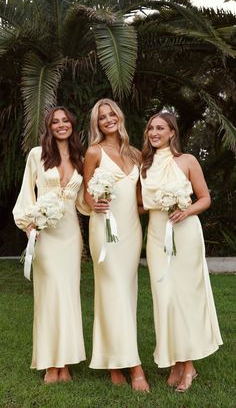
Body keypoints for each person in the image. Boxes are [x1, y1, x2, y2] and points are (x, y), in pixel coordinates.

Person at [140, 111, 223, 392]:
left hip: (185, 235)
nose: (154, 133)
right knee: (164, 299)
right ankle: (177, 361)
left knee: (184, 298)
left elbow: (205, 199)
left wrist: (185, 210)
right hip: (155, 236)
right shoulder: (144, 165)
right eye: (151, 128)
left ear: (172, 132)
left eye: (160, 128)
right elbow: (140, 204)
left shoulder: (187, 161)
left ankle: (188, 367)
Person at [13, 106, 86, 383]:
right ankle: (49, 364)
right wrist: (28, 224)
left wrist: (101, 201)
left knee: (68, 295)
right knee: (48, 296)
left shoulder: (80, 157)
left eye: (65, 120)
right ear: (49, 126)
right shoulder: (37, 155)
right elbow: (26, 192)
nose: (61, 125)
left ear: (72, 124)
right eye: (55, 122)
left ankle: (64, 364)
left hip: (70, 235)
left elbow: (81, 202)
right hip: (44, 235)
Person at [83, 98, 149, 392]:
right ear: (96, 124)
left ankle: (112, 362)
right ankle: (135, 367)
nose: (108, 119)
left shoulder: (135, 154)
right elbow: (86, 193)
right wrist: (93, 203)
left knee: (125, 294)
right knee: (114, 291)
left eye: (111, 114)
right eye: (102, 117)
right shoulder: (93, 152)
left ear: (119, 117)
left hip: (132, 232)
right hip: (104, 230)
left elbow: (138, 200)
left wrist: (166, 204)